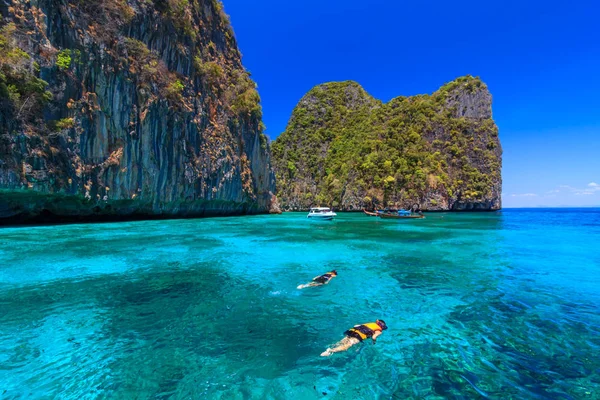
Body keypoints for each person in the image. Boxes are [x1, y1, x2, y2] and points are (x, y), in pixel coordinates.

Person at [320, 320, 387, 356]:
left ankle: (331, 347)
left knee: (341, 342)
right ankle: (330, 351)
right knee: (345, 347)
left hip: (351, 331)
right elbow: (374, 336)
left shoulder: (370, 324)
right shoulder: (379, 330)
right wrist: (374, 342)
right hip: (357, 336)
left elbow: (356, 325)